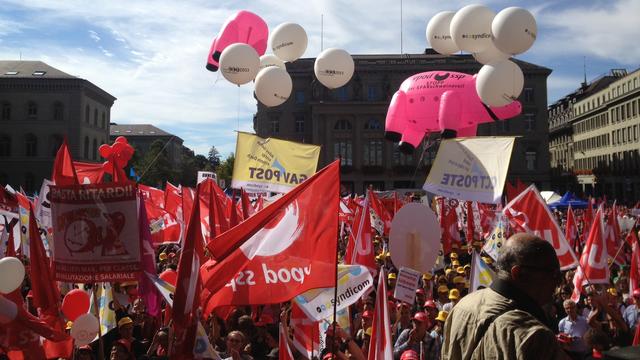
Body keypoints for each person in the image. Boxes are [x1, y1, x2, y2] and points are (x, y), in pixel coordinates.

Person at [441, 233, 568, 359]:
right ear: (517, 273)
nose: (558, 282)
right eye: (553, 273)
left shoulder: (462, 306)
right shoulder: (535, 336)